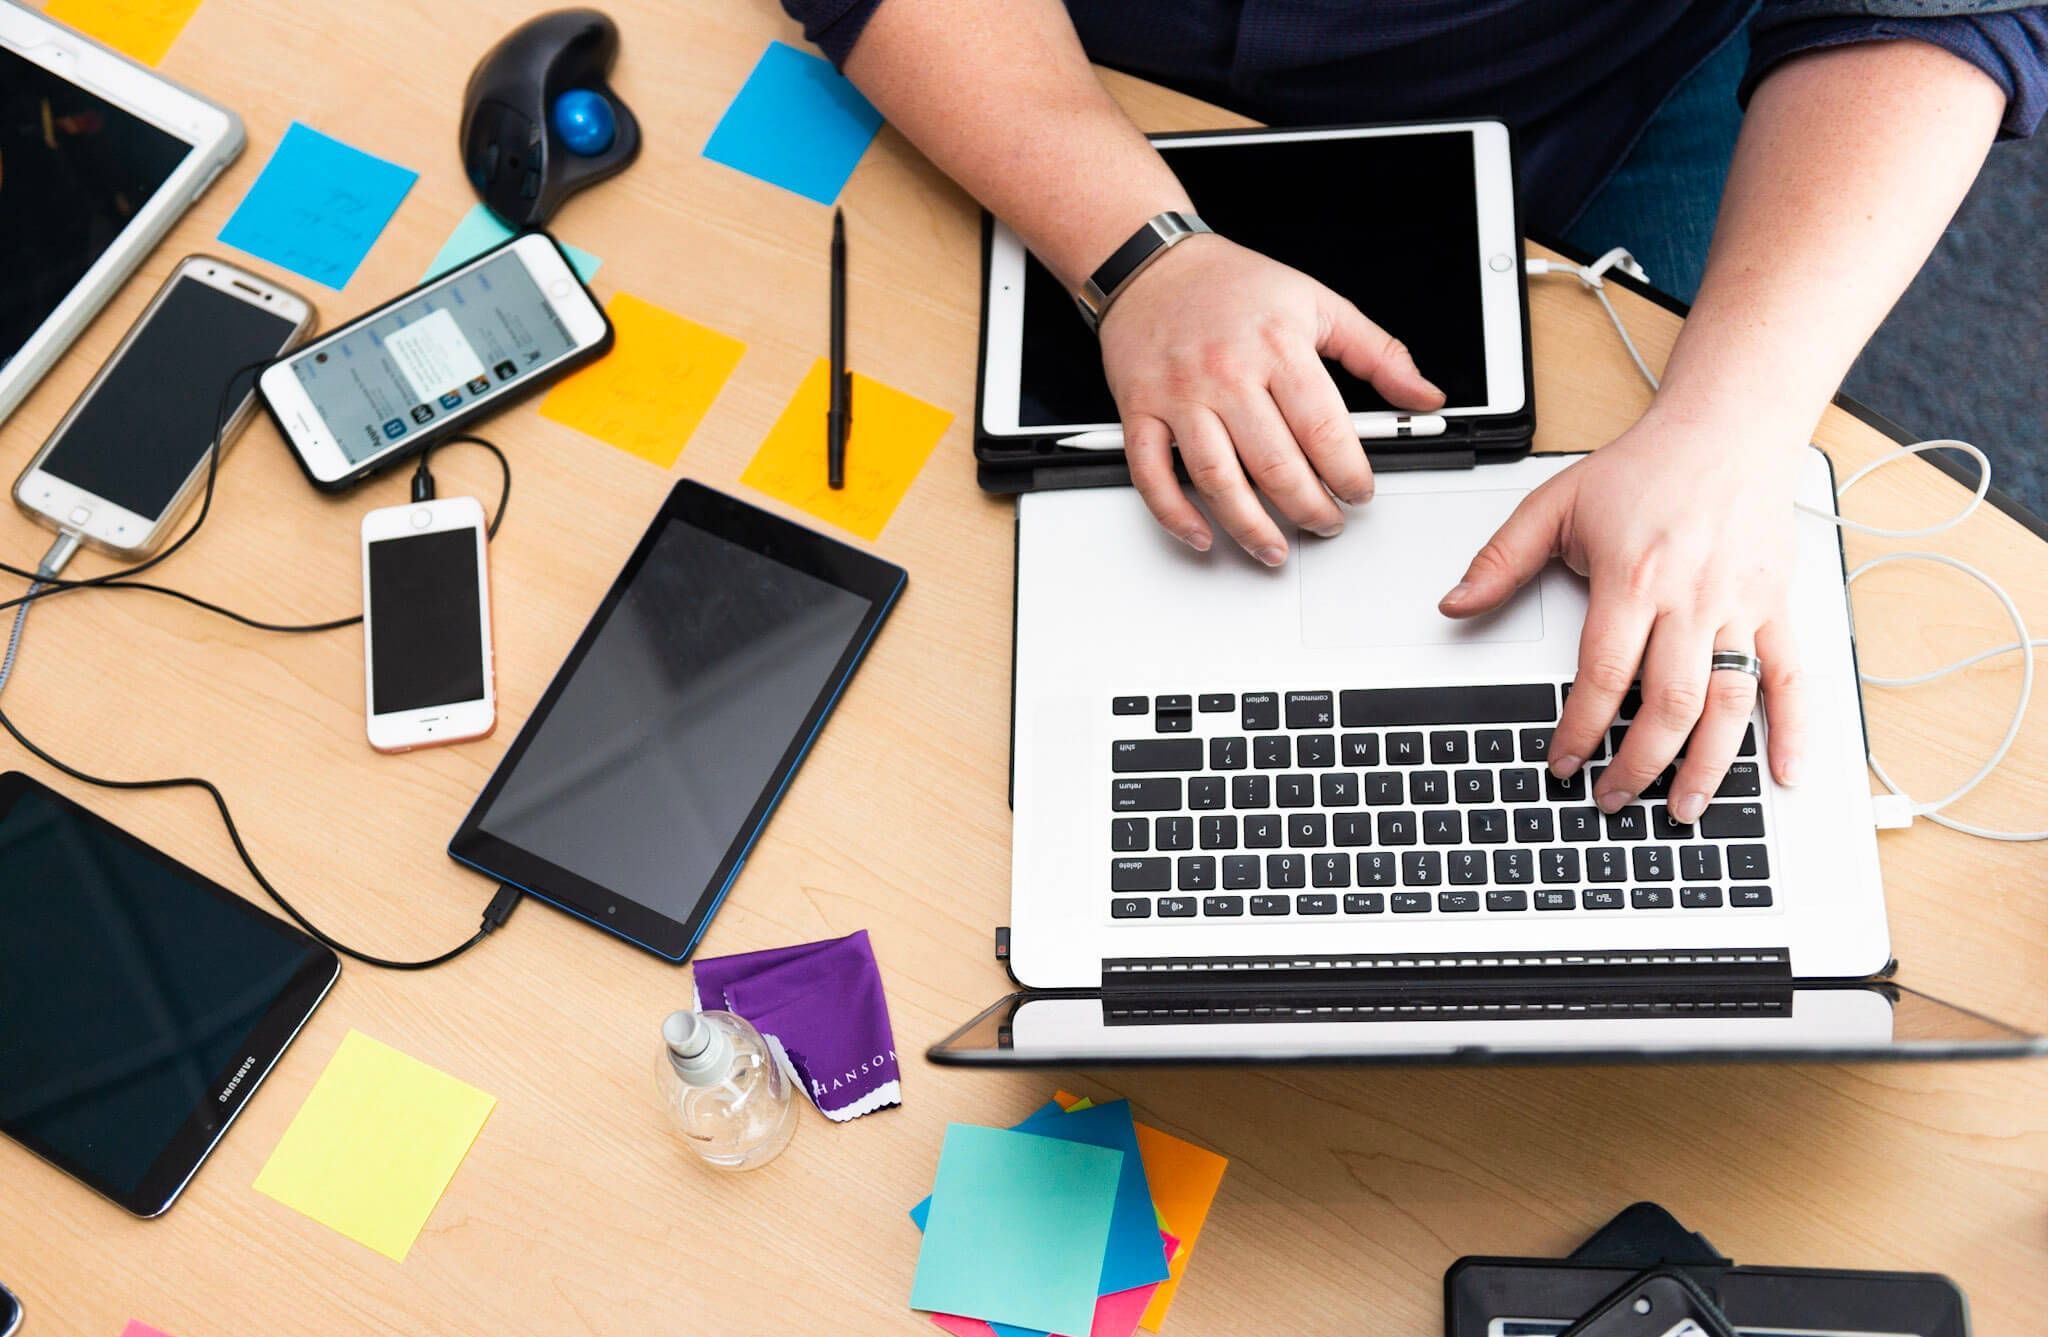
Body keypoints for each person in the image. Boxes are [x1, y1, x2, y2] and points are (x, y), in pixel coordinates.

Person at [781, 0, 2046, 826]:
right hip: (1052, 65)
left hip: (1591, 72)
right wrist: (1137, 253)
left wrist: (1730, 432)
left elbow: (1937, 12)